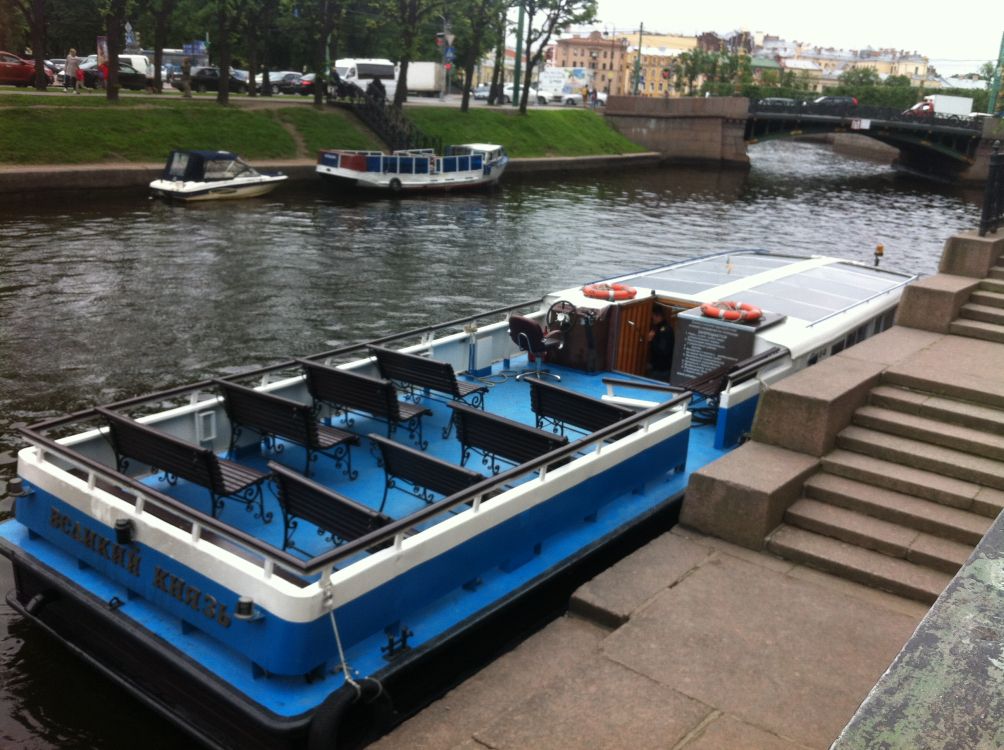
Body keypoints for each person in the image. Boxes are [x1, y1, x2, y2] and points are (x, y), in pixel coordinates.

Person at [647, 306, 675, 380]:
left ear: (657, 316)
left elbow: (663, 350)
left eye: (652, 316)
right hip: (662, 367)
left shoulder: (664, 330)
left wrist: (651, 340)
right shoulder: (663, 327)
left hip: (661, 369)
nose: (652, 319)